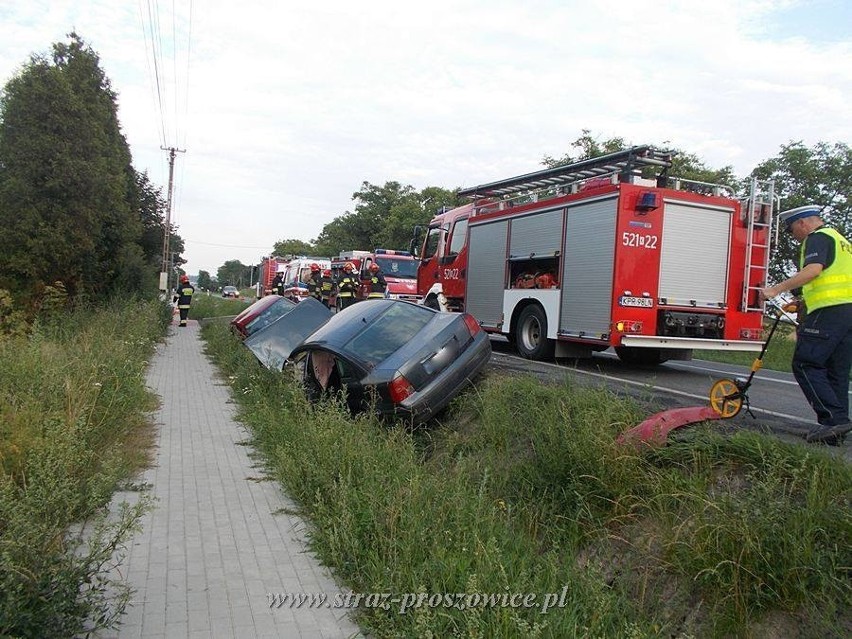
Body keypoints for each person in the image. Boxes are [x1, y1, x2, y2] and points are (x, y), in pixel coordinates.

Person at [760, 205, 852, 444]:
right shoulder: (841, 240)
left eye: (791, 231)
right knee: (835, 371)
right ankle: (834, 431)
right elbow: (834, 278)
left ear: (802, 223)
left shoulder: (817, 238)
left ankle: (833, 420)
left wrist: (775, 290)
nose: (794, 236)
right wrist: (802, 300)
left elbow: (813, 270)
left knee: (805, 363)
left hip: (829, 311)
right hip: (847, 313)